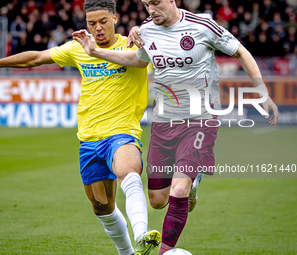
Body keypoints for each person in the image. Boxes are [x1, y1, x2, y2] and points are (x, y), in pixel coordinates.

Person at [72, 0, 279, 254]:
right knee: (158, 200)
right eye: (147, 5)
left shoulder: (202, 26)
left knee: (178, 189)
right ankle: (193, 184)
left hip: (200, 119)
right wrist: (96, 52)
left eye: (156, 3)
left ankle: (164, 250)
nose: (151, 10)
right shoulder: (146, 30)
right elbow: (137, 60)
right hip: (163, 121)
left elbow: (240, 51)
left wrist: (262, 92)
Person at [0, 1, 162, 254]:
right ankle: (127, 253)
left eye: (103, 21)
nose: (98, 28)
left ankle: (142, 233)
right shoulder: (78, 49)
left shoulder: (132, 45)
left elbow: (140, 61)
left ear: (114, 18)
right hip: (88, 138)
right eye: (92, 23)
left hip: (121, 132)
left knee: (128, 171)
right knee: (102, 206)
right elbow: (35, 57)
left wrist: (130, 34)